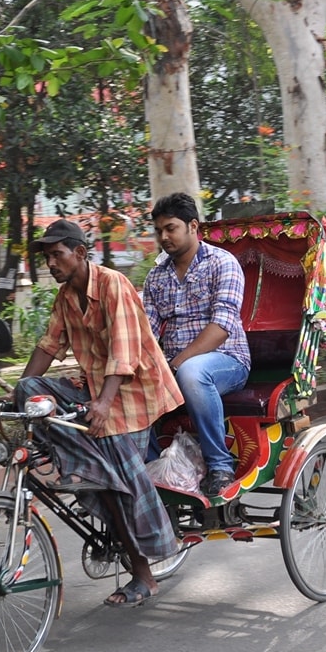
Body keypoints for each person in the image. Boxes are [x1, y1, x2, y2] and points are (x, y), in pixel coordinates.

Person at [15, 218, 184, 608]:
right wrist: (15, 400)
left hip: (135, 394)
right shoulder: (64, 298)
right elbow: (47, 347)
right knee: (28, 391)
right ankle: (88, 466)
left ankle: (144, 574)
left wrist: (104, 403)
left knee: (113, 480)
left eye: (56, 255)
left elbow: (124, 354)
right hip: (98, 392)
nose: (51, 264)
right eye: (46, 257)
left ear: (79, 253)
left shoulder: (113, 285)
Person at [141, 192, 251, 498]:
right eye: (159, 230)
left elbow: (221, 328)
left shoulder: (222, 263)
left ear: (192, 226)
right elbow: (146, 333)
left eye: (170, 228)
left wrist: (173, 366)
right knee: (131, 383)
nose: (164, 237)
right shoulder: (156, 278)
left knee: (191, 372)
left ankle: (220, 466)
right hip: (175, 364)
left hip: (226, 361)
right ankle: (153, 469)